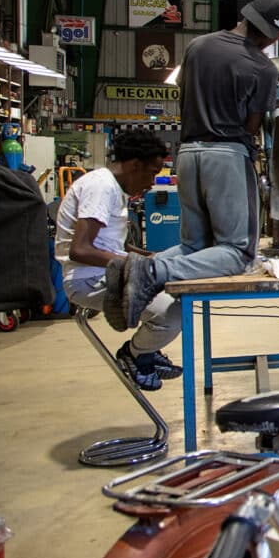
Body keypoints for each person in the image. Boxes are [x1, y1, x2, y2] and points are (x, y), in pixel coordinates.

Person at [107, 0, 279, 330]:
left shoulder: (198, 46)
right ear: (273, 34)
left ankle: (124, 270)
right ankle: (151, 271)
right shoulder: (262, 67)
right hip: (226, 156)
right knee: (237, 253)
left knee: (194, 246)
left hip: (188, 153)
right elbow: (251, 126)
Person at [56, 130, 182, 391]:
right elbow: (80, 250)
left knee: (174, 281)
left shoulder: (113, 187)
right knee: (173, 313)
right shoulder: (101, 187)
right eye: (151, 172)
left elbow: (114, 245)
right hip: (88, 279)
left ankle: (147, 350)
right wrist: (138, 266)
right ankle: (136, 355)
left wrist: (151, 257)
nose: (151, 182)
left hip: (103, 272)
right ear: (134, 165)